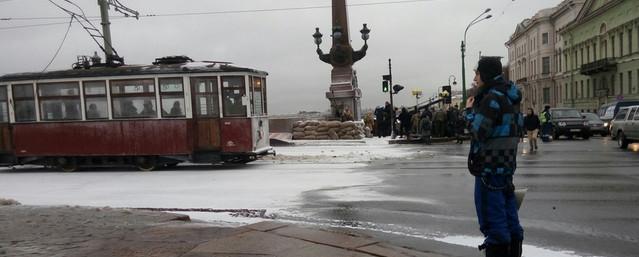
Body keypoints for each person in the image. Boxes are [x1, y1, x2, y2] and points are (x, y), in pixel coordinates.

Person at [465, 56, 524, 257]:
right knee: (509, 218)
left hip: (489, 168)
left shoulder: (491, 98)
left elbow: (478, 131)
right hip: (506, 167)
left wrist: (469, 112)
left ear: (486, 74)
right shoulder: (512, 97)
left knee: (493, 222)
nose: (475, 77)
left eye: (477, 73)